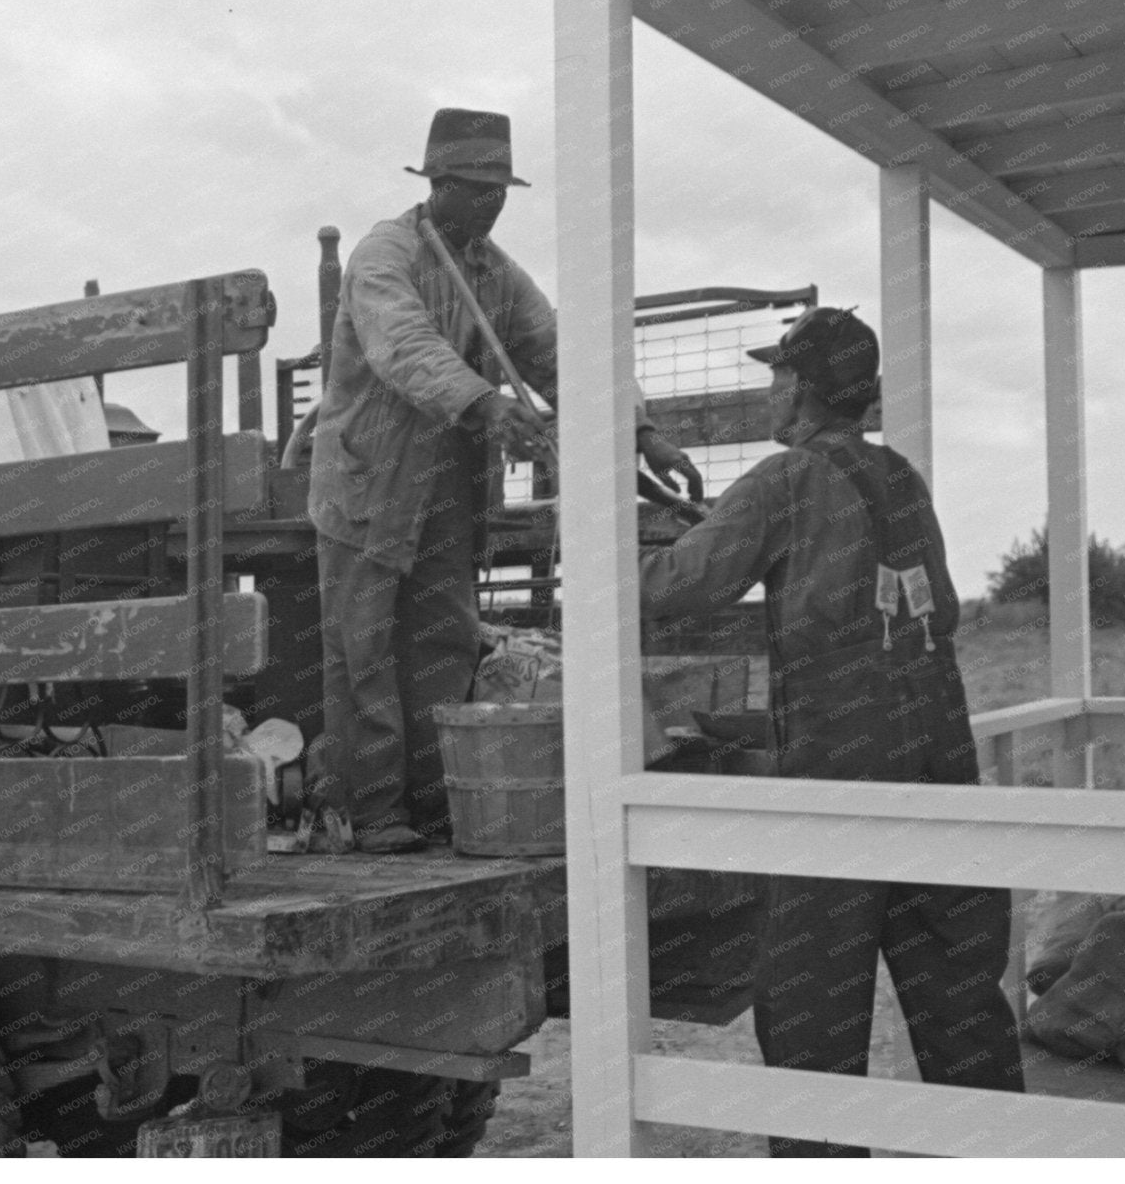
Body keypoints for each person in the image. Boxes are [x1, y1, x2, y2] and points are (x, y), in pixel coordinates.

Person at [638, 306, 1025, 1155]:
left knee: (809, 1014)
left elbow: (678, 586)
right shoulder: (901, 477)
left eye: (779, 374)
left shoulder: (785, 480)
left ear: (807, 390)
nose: (771, 389)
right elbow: (941, 607)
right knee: (961, 1003)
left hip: (839, 779)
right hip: (939, 760)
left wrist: (628, 553)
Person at [310, 107, 701, 854]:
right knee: (362, 650)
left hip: (447, 491)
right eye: (478, 187)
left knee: (443, 644)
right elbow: (404, 348)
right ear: (439, 184)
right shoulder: (382, 256)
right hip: (369, 487)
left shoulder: (495, 270)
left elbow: (565, 353)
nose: (492, 203)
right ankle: (372, 812)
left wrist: (641, 430)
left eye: (501, 189)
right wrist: (485, 404)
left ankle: (436, 802)